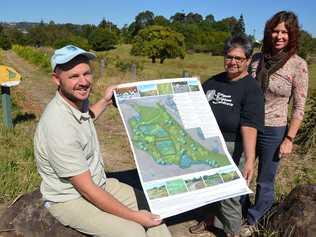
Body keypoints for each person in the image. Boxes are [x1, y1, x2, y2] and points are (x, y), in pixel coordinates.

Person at [34, 45, 172, 237]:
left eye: (87, 73)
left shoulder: (76, 103)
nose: (83, 82)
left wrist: (106, 101)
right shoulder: (58, 126)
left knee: (153, 209)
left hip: (99, 183)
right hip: (70, 198)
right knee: (133, 231)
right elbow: (88, 190)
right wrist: (135, 217)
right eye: (74, 76)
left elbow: (86, 119)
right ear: (56, 79)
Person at [190, 36, 264, 237]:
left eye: (239, 58)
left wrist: (249, 160)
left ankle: (232, 232)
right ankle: (208, 221)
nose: (233, 62)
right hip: (209, 143)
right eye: (229, 57)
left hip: (234, 146)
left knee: (229, 195)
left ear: (248, 61)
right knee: (207, 187)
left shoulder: (252, 90)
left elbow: (249, 126)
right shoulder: (213, 82)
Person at [243, 11, 309, 229]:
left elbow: (299, 107)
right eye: (275, 31)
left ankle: (254, 220)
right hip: (248, 125)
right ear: (268, 32)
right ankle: (236, 212)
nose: (279, 36)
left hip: (274, 130)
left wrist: (289, 138)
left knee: (265, 180)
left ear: (292, 35)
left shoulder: (298, 65)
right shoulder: (256, 59)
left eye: (284, 32)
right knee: (242, 171)